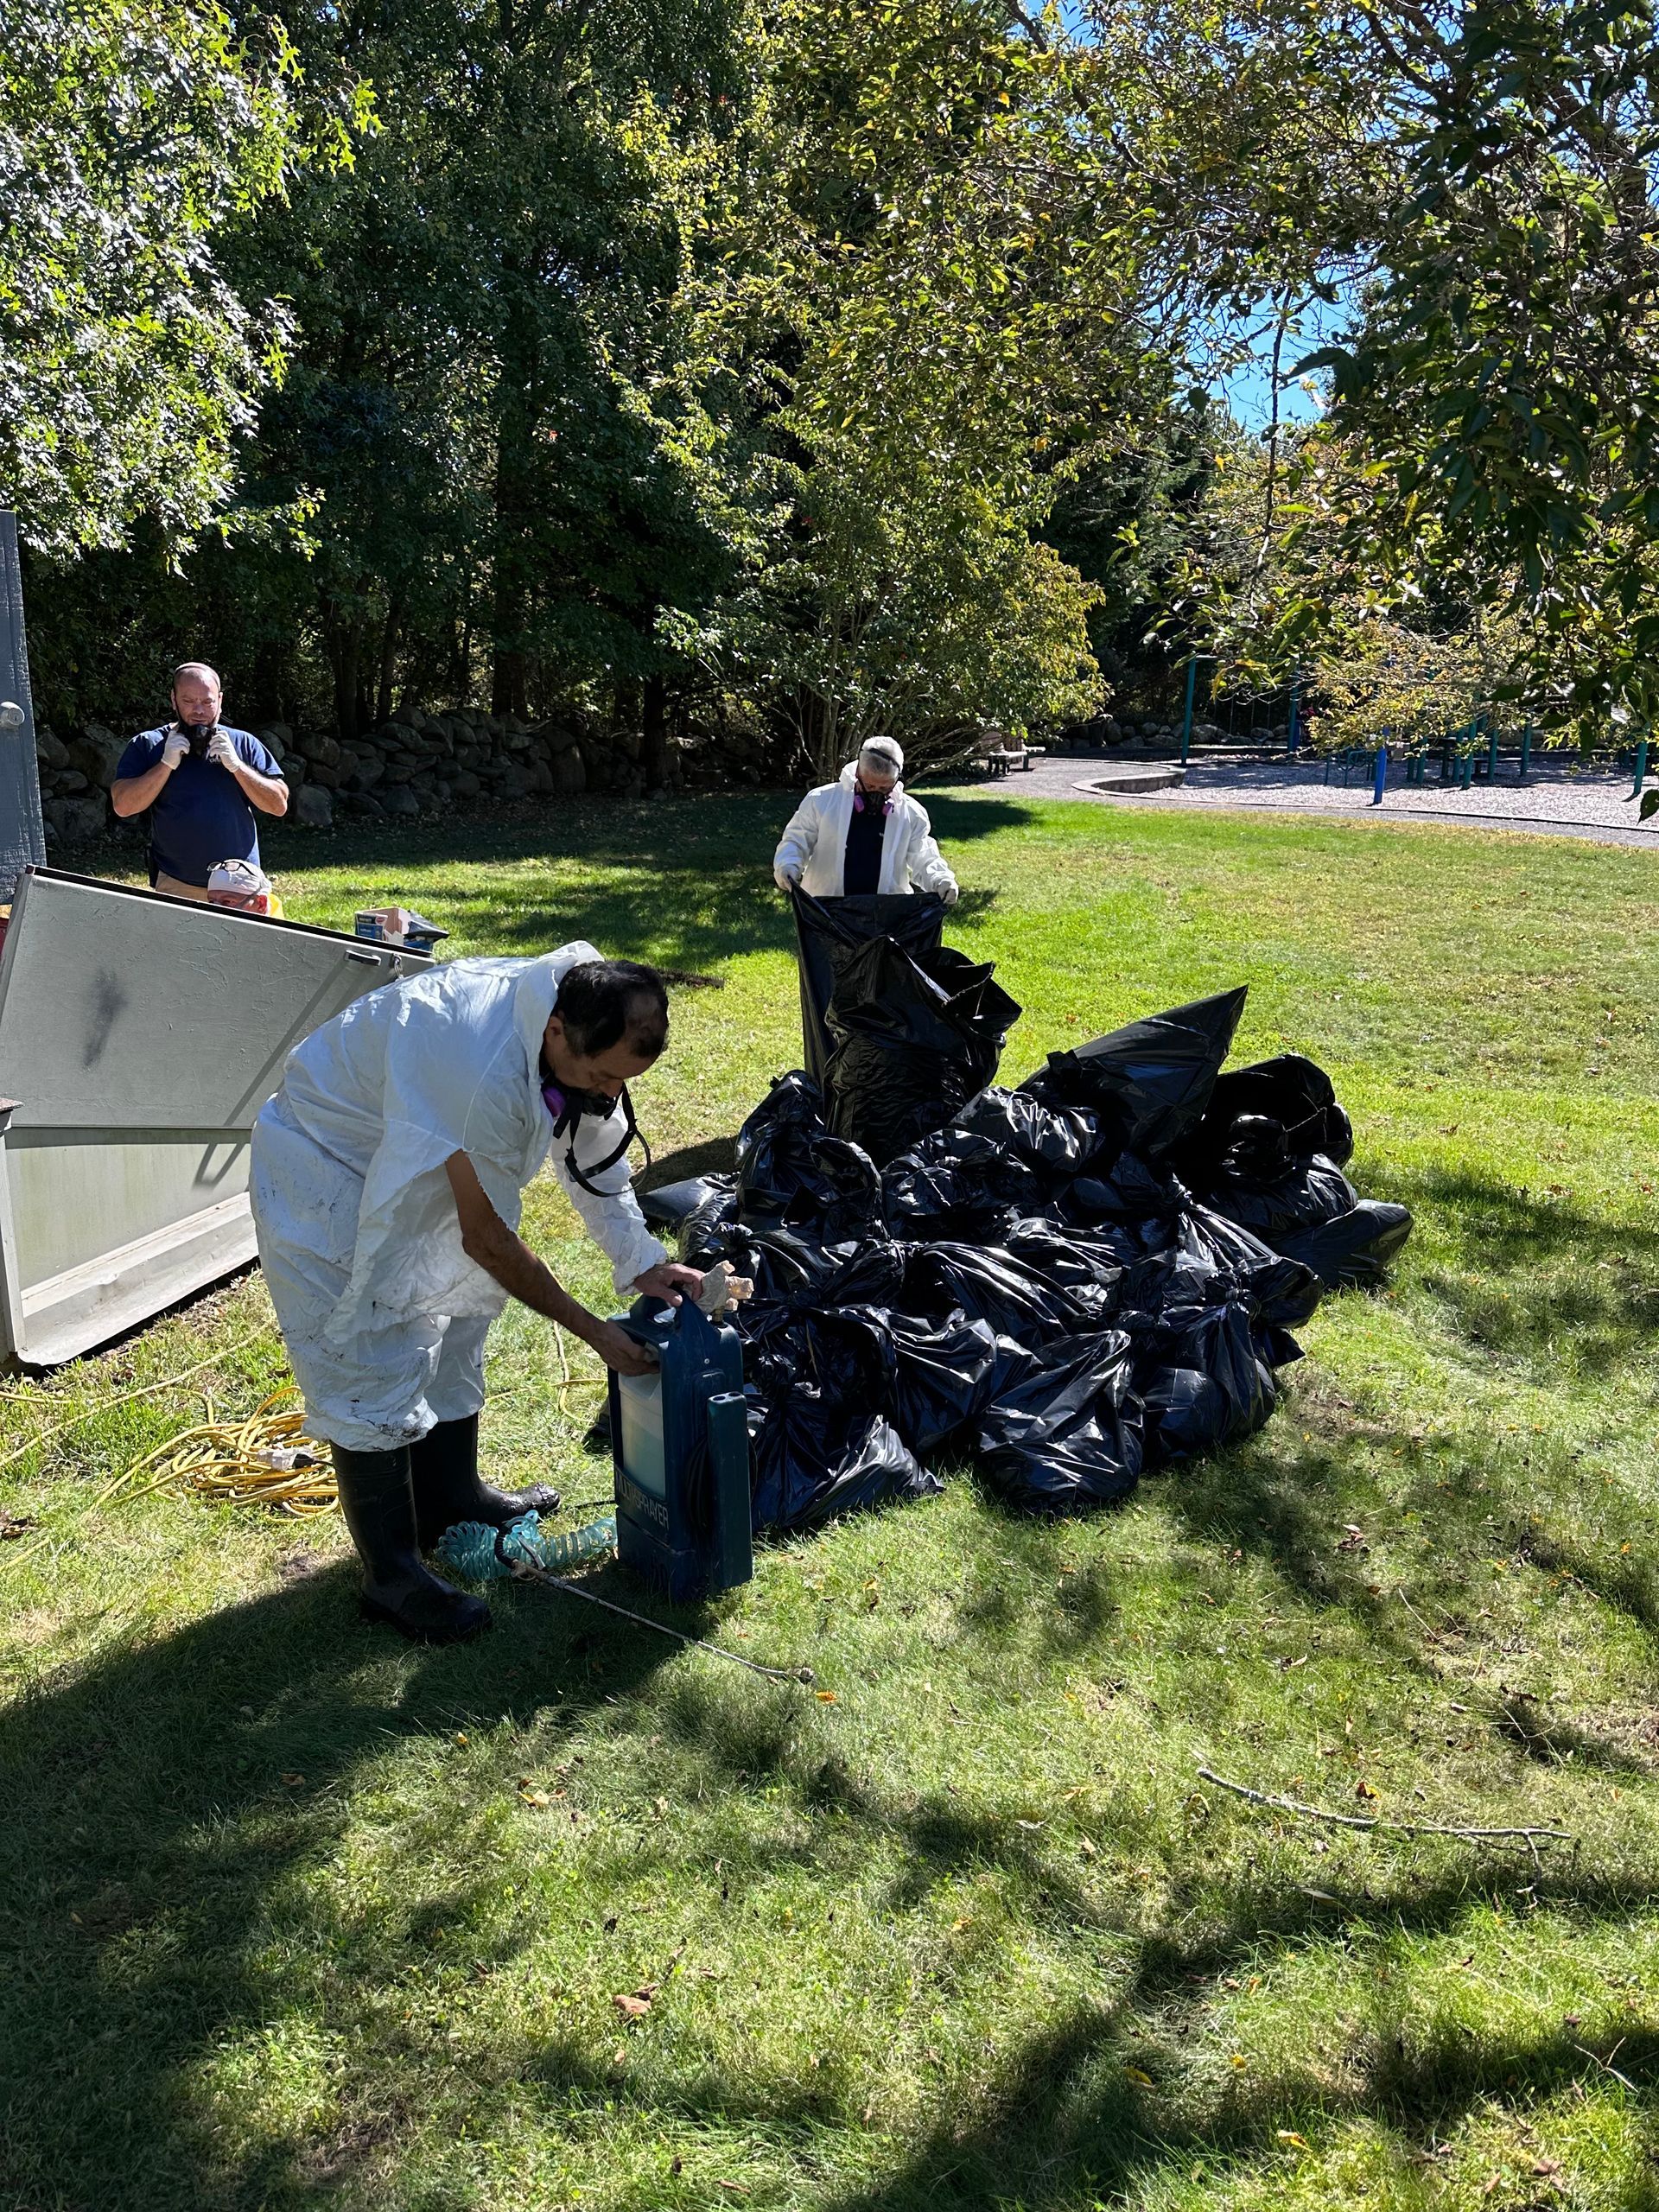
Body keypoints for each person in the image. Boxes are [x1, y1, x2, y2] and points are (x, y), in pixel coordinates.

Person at [251, 947, 702, 1644]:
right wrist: (594, 1333)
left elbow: (591, 1153)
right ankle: (391, 1572)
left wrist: (642, 1261)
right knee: (368, 1348)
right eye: (601, 1076)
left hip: (423, 1135)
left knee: (460, 1316)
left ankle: (450, 1500)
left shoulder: (581, 1014)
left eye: (625, 1079)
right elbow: (487, 1238)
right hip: (332, 1162)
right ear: (556, 1033)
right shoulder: (479, 1064)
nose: (610, 1092)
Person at [111, 661, 288, 900]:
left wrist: (237, 766)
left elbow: (278, 805)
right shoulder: (149, 744)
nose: (199, 711)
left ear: (220, 701)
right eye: (188, 701)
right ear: (173, 700)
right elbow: (123, 806)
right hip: (178, 885)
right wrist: (165, 765)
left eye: (207, 702)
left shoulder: (243, 743)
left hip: (240, 886)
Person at [772, 735, 958, 902]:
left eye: (885, 788)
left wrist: (941, 880)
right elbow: (797, 839)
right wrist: (787, 865)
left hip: (886, 913)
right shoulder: (822, 800)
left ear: (896, 781)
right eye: (869, 786)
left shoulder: (910, 813)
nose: (876, 794)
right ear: (857, 775)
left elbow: (923, 855)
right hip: (826, 909)